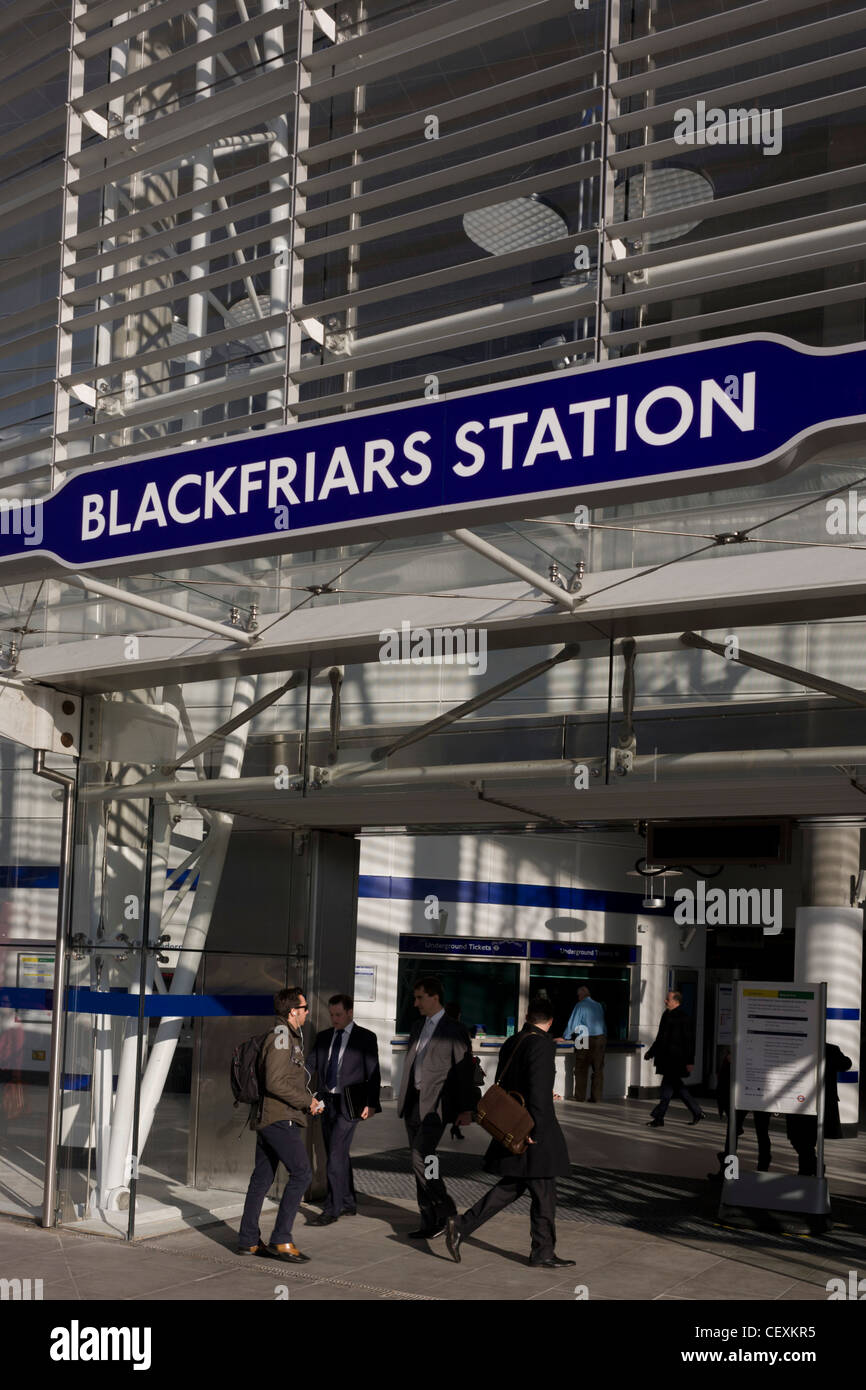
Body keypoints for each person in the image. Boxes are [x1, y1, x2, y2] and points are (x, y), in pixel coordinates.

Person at [445, 996, 575, 1269]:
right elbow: (538, 1092)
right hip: (531, 1129)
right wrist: (535, 1130)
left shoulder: (513, 1042)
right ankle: (542, 1251)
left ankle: (462, 1225)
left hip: (512, 1123)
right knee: (543, 1191)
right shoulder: (542, 1045)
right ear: (551, 1022)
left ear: (527, 1015)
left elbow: (511, 1082)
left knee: (514, 1186)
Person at [238, 987, 323, 1263]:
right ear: (292, 1011)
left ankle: (249, 1241)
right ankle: (281, 1239)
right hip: (278, 1118)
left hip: (272, 1116)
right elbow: (274, 1082)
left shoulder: (288, 1036)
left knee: (262, 1178)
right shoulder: (283, 1036)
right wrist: (307, 1100)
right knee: (301, 1173)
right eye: (304, 1007)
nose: (308, 1011)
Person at [396, 976, 479, 1239]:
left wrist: (465, 1110)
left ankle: (445, 1208)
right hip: (413, 1104)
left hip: (436, 1107)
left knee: (421, 1157)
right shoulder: (418, 1026)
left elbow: (463, 1072)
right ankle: (429, 1220)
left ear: (434, 998)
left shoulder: (454, 1029)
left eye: (420, 997)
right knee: (423, 1161)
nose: (416, 1003)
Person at [306, 992, 381, 1225]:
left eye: (338, 1014)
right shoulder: (324, 1037)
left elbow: (374, 1073)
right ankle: (347, 1201)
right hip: (326, 1101)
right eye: (331, 1014)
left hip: (351, 1104)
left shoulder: (366, 1038)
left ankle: (332, 1209)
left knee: (335, 1154)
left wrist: (371, 1103)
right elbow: (311, 1065)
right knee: (336, 1154)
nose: (334, 1019)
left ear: (350, 1012)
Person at [785, 1042, 853, 1175]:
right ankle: (813, 1166)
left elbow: (846, 1064)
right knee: (797, 1138)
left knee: (806, 1139)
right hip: (798, 1099)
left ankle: (806, 1170)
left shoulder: (829, 1049)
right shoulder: (796, 1046)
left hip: (819, 1102)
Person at [644, 990, 705, 1127]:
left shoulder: (684, 1018)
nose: (665, 1001)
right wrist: (651, 1052)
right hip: (666, 1059)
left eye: (668, 999)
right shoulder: (666, 1015)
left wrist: (690, 1061)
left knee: (666, 1090)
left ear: (676, 1001)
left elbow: (689, 1041)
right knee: (678, 1087)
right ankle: (697, 1112)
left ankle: (659, 1117)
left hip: (677, 1060)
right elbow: (660, 1037)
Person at [709, 1048, 771, 1179]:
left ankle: (758, 1171)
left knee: (756, 1132)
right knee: (742, 1131)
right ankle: (732, 1171)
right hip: (746, 1089)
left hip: (755, 1089)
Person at [561, 984, 606, 1102]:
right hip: (600, 1039)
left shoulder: (580, 1006)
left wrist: (565, 1037)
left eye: (578, 995)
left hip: (585, 1039)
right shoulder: (598, 1005)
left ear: (581, 995)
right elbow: (603, 1024)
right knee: (598, 1070)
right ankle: (596, 1097)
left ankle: (580, 1096)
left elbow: (573, 1024)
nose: (577, 997)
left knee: (581, 1068)